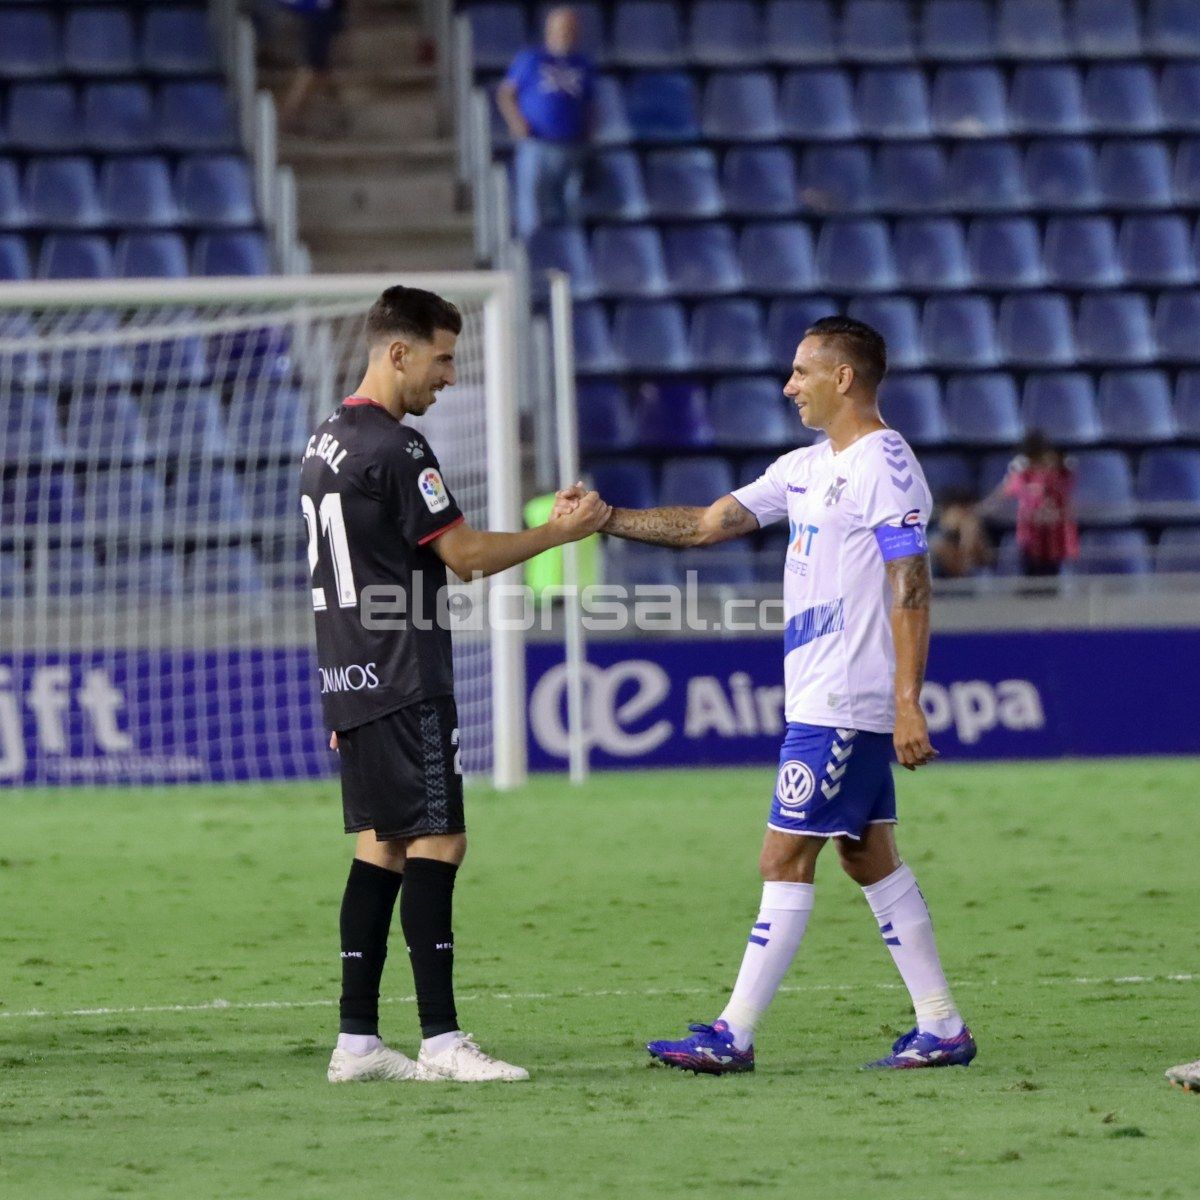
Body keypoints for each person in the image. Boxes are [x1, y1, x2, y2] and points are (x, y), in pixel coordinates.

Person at [557, 317, 975, 1073]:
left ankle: (734, 1033)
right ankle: (941, 1025)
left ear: (843, 377)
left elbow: (910, 581)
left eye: (802, 371)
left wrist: (908, 699)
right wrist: (607, 518)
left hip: (844, 698)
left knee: (783, 856)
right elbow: (703, 525)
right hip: (823, 695)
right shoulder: (805, 468)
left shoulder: (883, 462)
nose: (789, 386)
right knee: (867, 857)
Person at [301, 285, 609, 1084]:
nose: (449, 377)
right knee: (438, 839)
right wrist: (558, 533)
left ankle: (357, 1043)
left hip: (353, 671)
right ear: (397, 351)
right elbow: (464, 557)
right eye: (441, 360)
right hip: (404, 672)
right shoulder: (398, 449)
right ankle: (441, 1041)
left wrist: (342, 689)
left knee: (383, 844)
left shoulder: (326, 440)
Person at [496, 7, 595, 237]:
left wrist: (589, 132)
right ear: (549, 31)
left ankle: (567, 253)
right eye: (562, 30)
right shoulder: (531, 59)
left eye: (571, 30)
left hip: (573, 147)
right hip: (537, 145)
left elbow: (590, 103)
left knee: (569, 211)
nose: (566, 35)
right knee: (533, 210)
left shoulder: (583, 64)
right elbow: (506, 94)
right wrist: (516, 122)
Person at [1001, 431, 1078, 579]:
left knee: (1050, 580)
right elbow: (1007, 491)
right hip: (1030, 541)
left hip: (1054, 541)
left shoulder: (1061, 474)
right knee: (1030, 580)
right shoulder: (1022, 474)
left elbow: (1063, 500)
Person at [276, 0, 347, 134]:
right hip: (319, 13)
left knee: (320, 70)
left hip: (325, 14)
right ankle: (288, 117)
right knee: (313, 70)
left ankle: (336, 115)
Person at [928, 486, 993, 579]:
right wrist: (967, 539)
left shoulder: (972, 530)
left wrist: (971, 537)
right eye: (962, 510)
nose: (966, 516)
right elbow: (961, 571)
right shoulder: (936, 540)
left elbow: (987, 561)